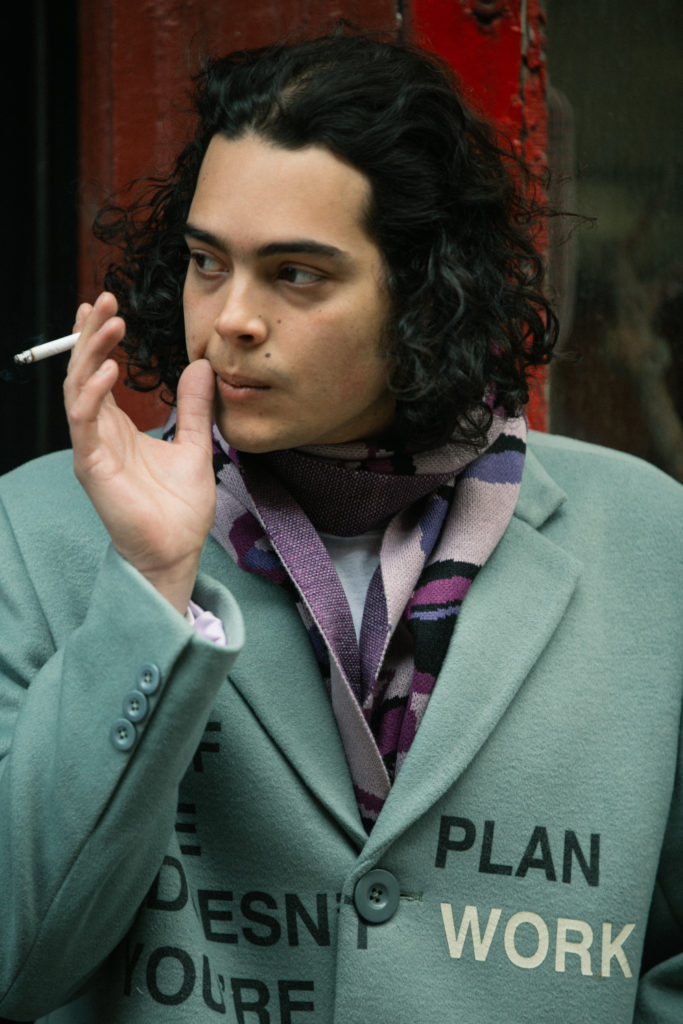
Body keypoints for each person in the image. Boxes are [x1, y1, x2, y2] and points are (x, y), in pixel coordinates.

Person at [0, 32, 681, 1024]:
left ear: (424, 290)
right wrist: (148, 586)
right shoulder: (34, 530)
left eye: (296, 274)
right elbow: (17, 958)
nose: (230, 317)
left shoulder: (653, 543)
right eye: (206, 261)